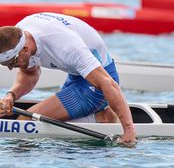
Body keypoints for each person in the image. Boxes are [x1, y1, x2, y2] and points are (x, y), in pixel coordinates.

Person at [0, 12, 136, 145]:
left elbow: (108, 83)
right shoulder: (20, 34)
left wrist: (129, 129)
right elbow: (30, 74)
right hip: (77, 76)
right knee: (47, 120)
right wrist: (11, 96)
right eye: (5, 64)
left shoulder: (65, 46)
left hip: (98, 83)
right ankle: (100, 116)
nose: (11, 68)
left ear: (25, 49)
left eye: (12, 62)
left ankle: (105, 117)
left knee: (26, 120)